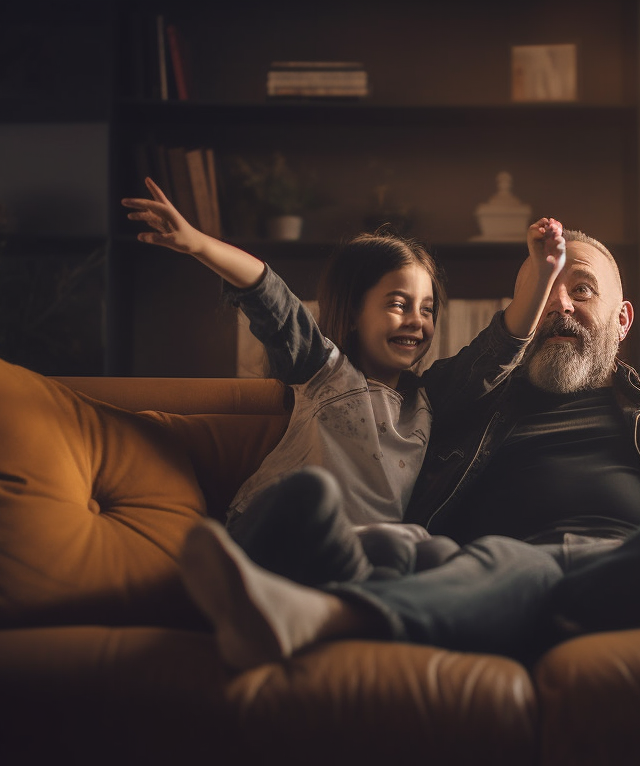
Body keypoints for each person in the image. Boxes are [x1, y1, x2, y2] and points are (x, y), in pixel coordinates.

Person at [178, 227, 640, 668]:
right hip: (503, 565)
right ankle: (321, 612)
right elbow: (492, 348)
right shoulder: (458, 395)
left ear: (621, 317)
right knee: (514, 569)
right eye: (549, 292)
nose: (563, 306)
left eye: (582, 289)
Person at [122, 177, 567, 585]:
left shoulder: (431, 398)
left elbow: (498, 349)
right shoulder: (324, 370)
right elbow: (270, 296)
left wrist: (544, 271)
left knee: (428, 549)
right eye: (398, 303)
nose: (416, 320)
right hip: (283, 533)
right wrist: (198, 243)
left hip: (363, 556)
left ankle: (340, 605)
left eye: (427, 309)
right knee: (312, 494)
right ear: (354, 313)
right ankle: (230, 571)